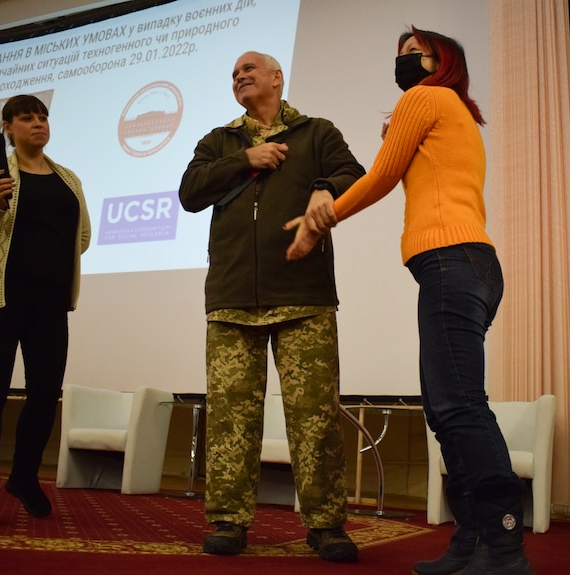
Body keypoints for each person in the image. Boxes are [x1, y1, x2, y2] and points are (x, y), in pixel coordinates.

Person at [285, 28, 535, 575]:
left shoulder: (425, 97)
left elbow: (380, 175)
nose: (400, 62)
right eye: (396, 55)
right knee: (448, 412)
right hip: (463, 267)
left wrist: (317, 222)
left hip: (453, 260)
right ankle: (469, 544)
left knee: (459, 406)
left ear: (441, 61)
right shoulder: (453, 112)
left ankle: (504, 545)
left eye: (411, 52)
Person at [178, 51, 365, 563]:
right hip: (232, 300)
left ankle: (326, 525)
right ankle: (228, 520)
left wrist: (324, 187)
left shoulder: (316, 132)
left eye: (249, 69)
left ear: (277, 78)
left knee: (315, 418)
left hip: (303, 298)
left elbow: (355, 175)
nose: (239, 76)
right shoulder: (218, 141)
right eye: (234, 73)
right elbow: (189, 193)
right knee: (230, 419)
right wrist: (245, 159)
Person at [0, 94, 91, 526]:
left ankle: (23, 476)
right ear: (7, 128)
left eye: (42, 116)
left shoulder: (69, 179)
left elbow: (82, 236)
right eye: (26, 118)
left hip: (50, 303)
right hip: (0, 300)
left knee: (44, 395)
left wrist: (51, 267)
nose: (38, 124)